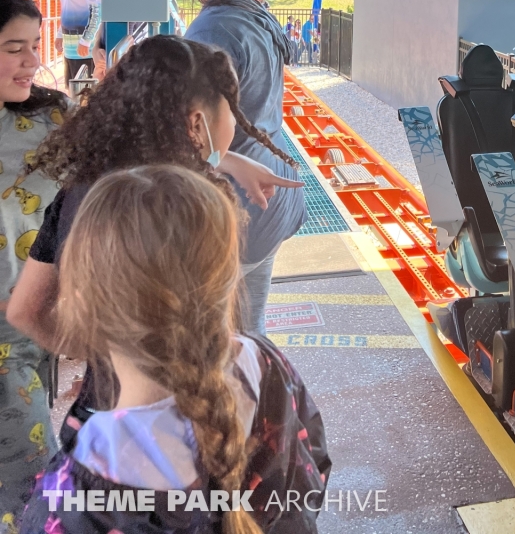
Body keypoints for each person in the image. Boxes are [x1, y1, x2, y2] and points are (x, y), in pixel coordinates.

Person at [19, 164, 331, 534]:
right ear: (228, 281)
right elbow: (312, 470)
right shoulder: (266, 363)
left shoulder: (75, 497)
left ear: (79, 305)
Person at [7, 36, 302, 399]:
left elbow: (25, 312)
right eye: (231, 109)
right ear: (197, 123)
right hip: (194, 412)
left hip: (104, 406)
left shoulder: (80, 192)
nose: (236, 124)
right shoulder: (196, 208)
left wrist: (106, 361)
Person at [151, 0, 307, 334]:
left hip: (236, 207)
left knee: (212, 344)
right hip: (268, 194)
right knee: (248, 332)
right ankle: (264, 396)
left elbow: (195, 137)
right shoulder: (253, 11)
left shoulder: (212, 31)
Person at [0, 0, 71, 526]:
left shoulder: (50, 120)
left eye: (34, 46)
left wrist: (219, 156)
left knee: (35, 487)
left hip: (21, 340)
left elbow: (133, 146)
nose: (31, 62)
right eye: (13, 48)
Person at [54, 0, 101, 93]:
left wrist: (86, 40)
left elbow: (97, 11)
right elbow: (67, 9)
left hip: (84, 50)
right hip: (70, 49)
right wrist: (60, 34)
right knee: (71, 90)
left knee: (85, 94)